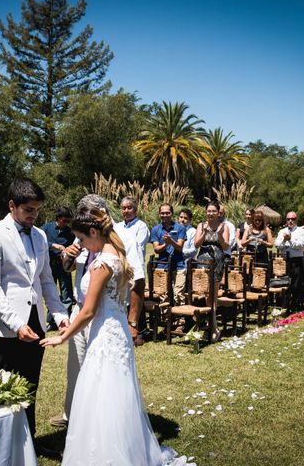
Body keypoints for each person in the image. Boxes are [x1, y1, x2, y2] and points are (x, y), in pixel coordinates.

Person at [40, 206, 194, 466]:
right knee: (115, 394)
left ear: (93, 231)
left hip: (105, 332)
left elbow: (88, 311)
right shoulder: (117, 253)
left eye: (83, 239)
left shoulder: (102, 263)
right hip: (116, 328)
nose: (83, 245)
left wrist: (61, 337)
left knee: (101, 393)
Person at [0, 178, 70, 454]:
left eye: (37, 210)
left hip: (36, 322)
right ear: (12, 206)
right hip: (7, 327)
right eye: (28, 210)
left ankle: (29, 444)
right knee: (7, 387)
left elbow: (45, 281)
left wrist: (59, 313)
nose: (34, 215)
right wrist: (16, 323)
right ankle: (5, 447)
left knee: (30, 385)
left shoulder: (41, 236)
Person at [49, 194, 106, 429]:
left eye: (88, 214)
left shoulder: (111, 241)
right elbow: (68, 267)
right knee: (75, 365)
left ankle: (96, 416)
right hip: (78, 308)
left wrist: (134, 322)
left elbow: (135, 281)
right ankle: (70, 413)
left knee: (99, 367)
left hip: (101, 313)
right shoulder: (79, 238)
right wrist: (67, 257)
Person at [113, 197, 150, 345]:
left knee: (135, 297)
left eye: (129, 208)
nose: (126, 211)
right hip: (119, 267)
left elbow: (137, 246)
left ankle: (140, 331)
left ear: (135, 209)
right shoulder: (117, 226)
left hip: (134, 266)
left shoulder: (141, 226)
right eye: (123, 208)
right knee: (123, 299)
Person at [195, 200, 230, 342]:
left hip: (217, 261)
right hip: (203, 261)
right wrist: (203, 233)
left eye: (213, 211)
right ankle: (209, 325)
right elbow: (196, 244)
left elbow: (226, 246)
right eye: (208, 211)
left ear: (218, 212)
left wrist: (220, 235)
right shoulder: (201, 225)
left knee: (213, 296)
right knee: (204, 294)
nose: (210, 213)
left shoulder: (224, 226)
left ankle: (213, 326)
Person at [41, 206, 76, 327]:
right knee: (51, 293)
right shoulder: (46, 228)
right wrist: (53, 245)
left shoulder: (70, 232)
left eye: (68, 221)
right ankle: (52, 321)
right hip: (49, 265)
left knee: (67, 294)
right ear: (59, 218)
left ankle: (66, 319)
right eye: (65, 221)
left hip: (64, 266)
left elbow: (74, 246)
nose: (66, 223)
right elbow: (38, 241)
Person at [151, 203, 186, 304]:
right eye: (162, 213)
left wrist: (171, 242)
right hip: (162, 265)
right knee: (163, 295)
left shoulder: (180, 228)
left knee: (179, 294)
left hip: (179, 265)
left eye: (167, 213)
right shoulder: (155, 229)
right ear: (159, 214)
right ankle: (165, 319)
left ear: (172, 213)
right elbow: (156, 249)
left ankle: (180, 319)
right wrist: (166, 245)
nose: (165, 215)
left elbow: (180, 247)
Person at [274, 211, 304, 311]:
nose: (290, 221)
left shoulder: (301, 231)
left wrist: (290, 239)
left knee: (296, 284)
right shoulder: (282, 231)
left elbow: (300, 246)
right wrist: (284, 240)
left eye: (292, 219)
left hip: (296, 260)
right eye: (288, 219)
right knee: (284, 283)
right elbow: (277, 245)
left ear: (296, 220)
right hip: (284, 261)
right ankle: (284, 304)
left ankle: (294, 306)